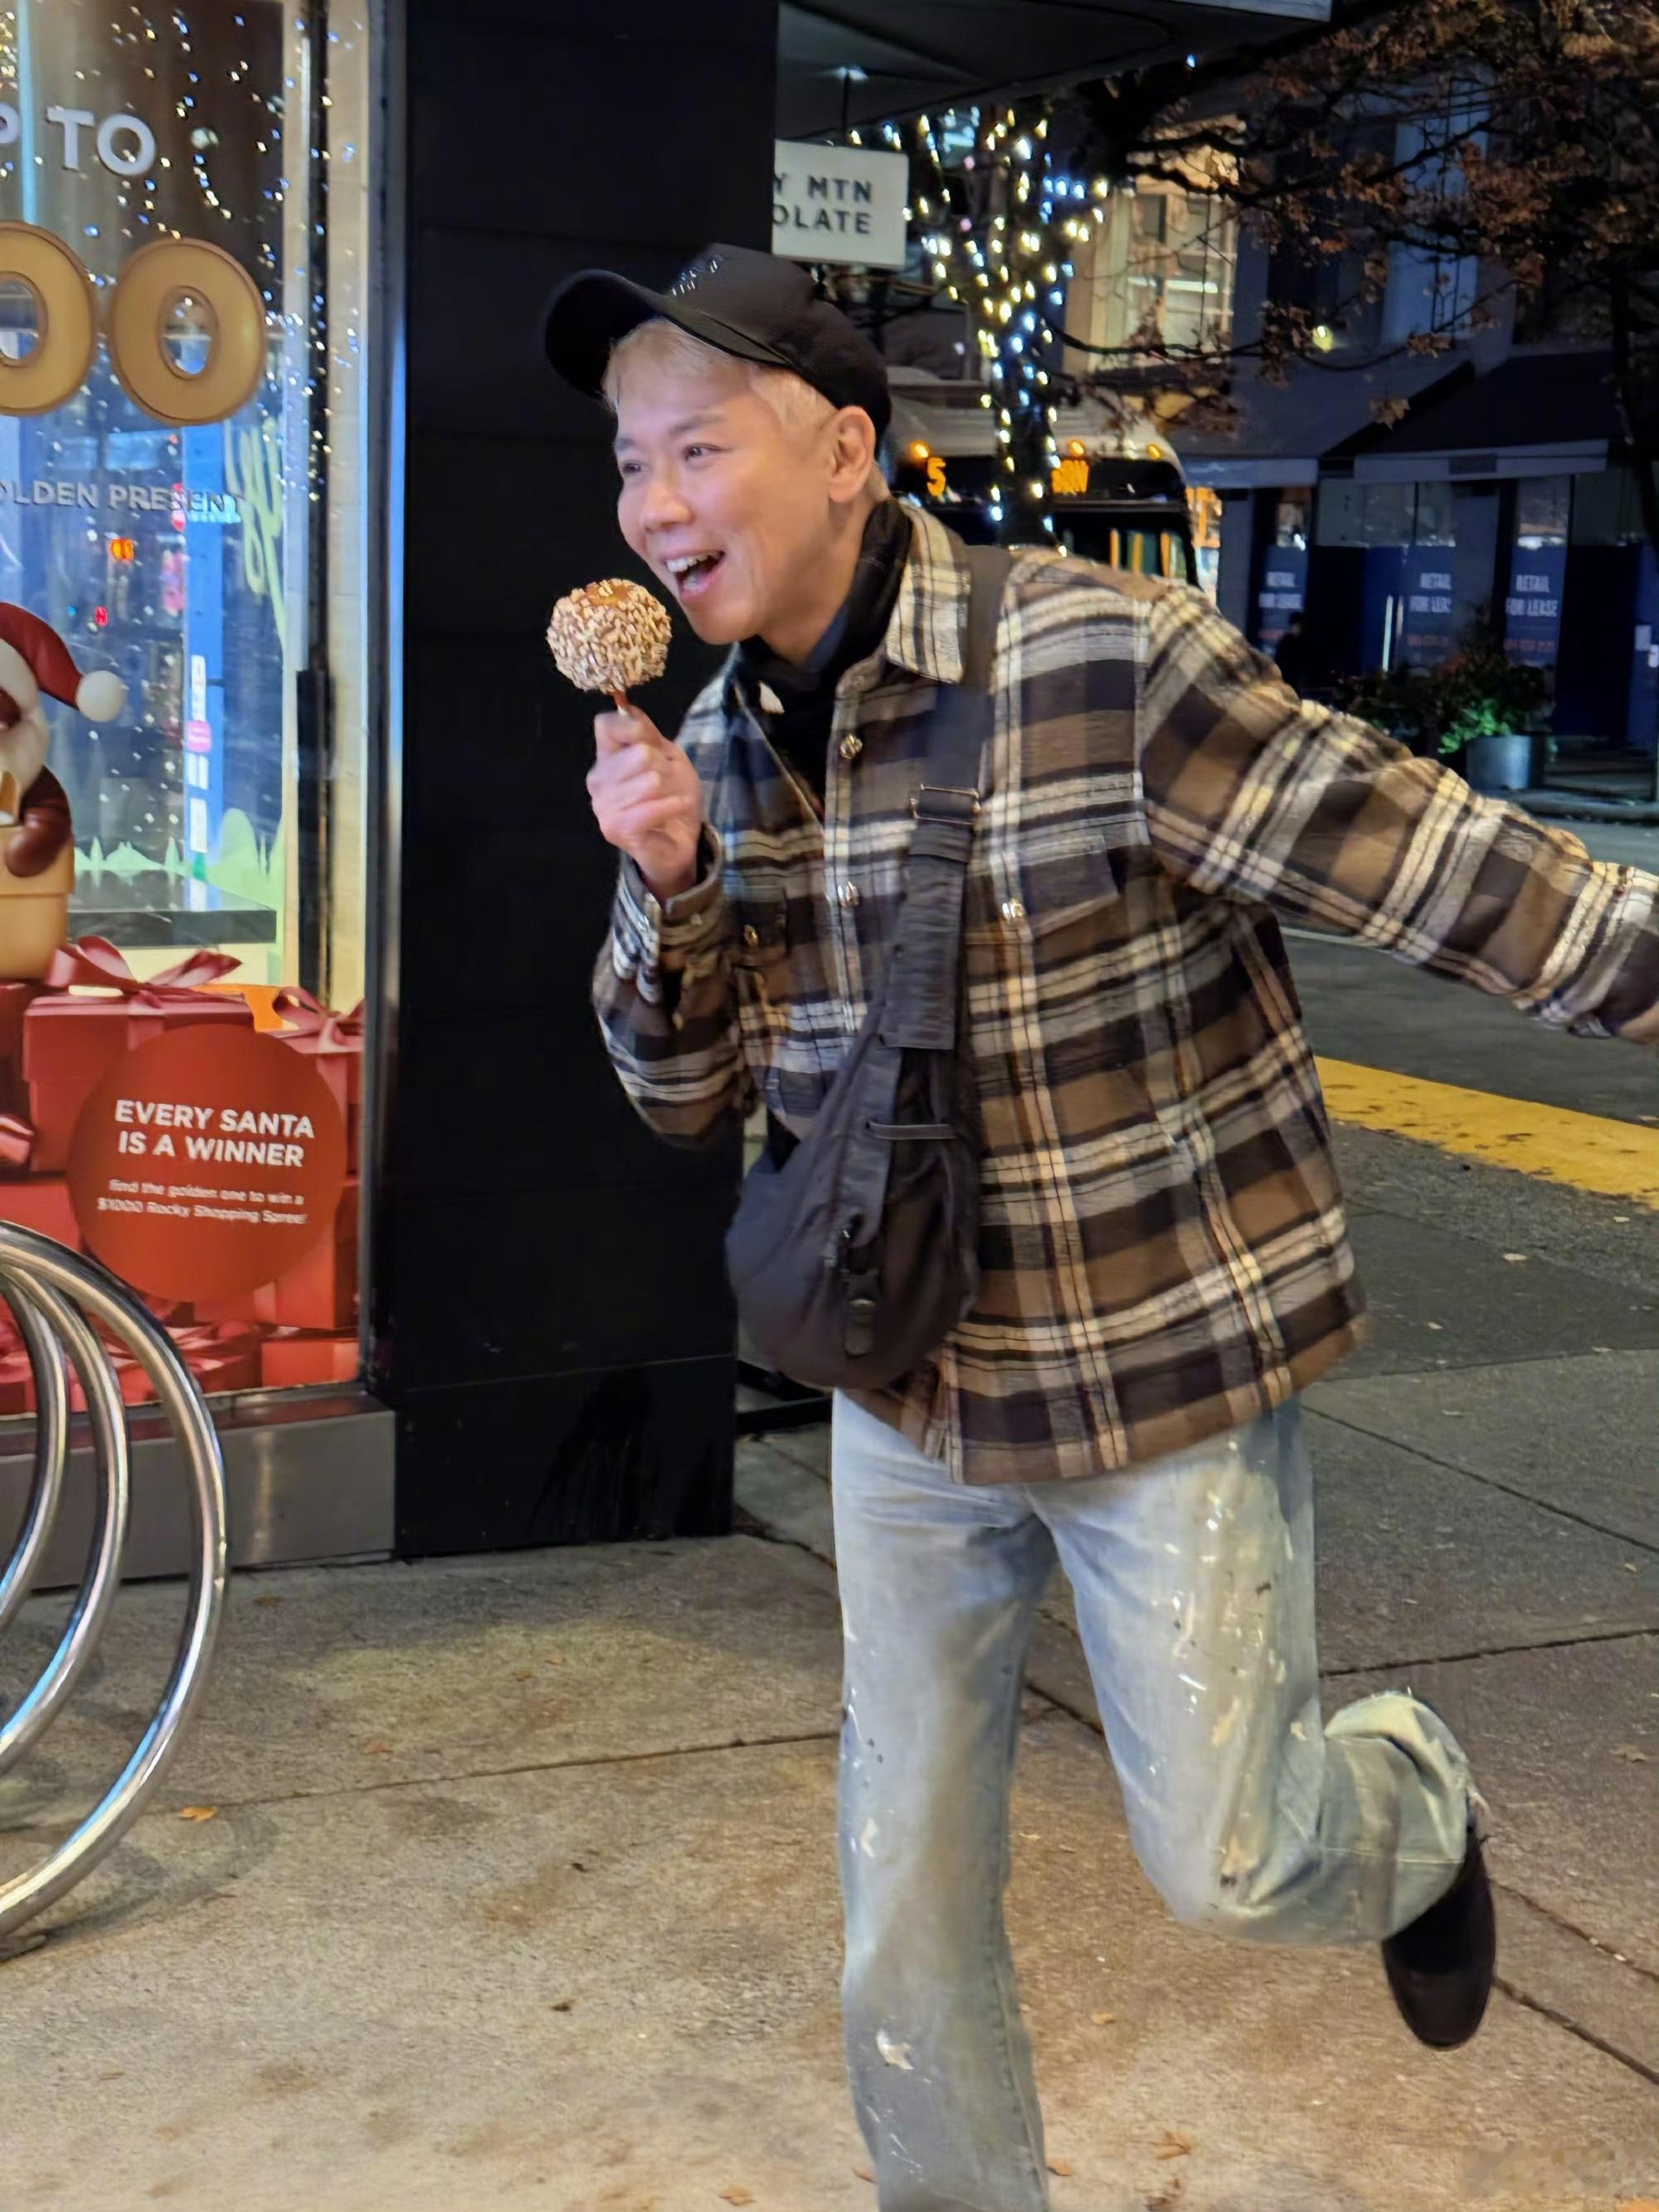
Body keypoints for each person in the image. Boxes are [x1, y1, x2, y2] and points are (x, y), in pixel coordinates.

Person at [545, 245, 1659, 2212]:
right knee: (898, 1901)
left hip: (1154, 1372)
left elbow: (1413, 848)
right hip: (904, 1397)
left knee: (1231, 1867)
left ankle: (1404, 1811)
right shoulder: (708, 753)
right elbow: (675, 1092)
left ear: (845, 455)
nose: (647, 504)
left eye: (692, 449)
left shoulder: (1100, 659)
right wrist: (665, 882)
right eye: (628, 461)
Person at [1272, 609, 1316, 695]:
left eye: (1301, 626)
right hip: (1286, 680)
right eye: (1298, 626)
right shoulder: (1286, 642)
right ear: (1293, 626)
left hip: (1296, 682)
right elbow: (1279, 662)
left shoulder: (1304, 641)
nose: (1300, 629)